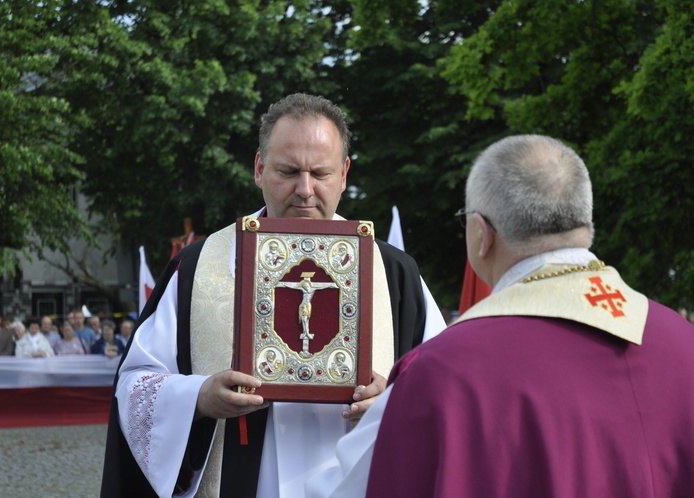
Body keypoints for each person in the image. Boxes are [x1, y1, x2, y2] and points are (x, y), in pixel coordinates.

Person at [307, 134, 694, 498]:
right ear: (585, 221)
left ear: (481, 234)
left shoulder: (443, 372)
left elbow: (342, 489)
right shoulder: (682, 343)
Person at [101, 93, 447, 498]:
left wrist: (391, 404)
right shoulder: (200, 267)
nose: (305, 190)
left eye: (320, 172)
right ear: (260, 168)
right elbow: (136, 388)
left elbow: (444, 389)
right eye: (288, 171)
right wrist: (199, 397)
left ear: (345, 174)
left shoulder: (393, 273)